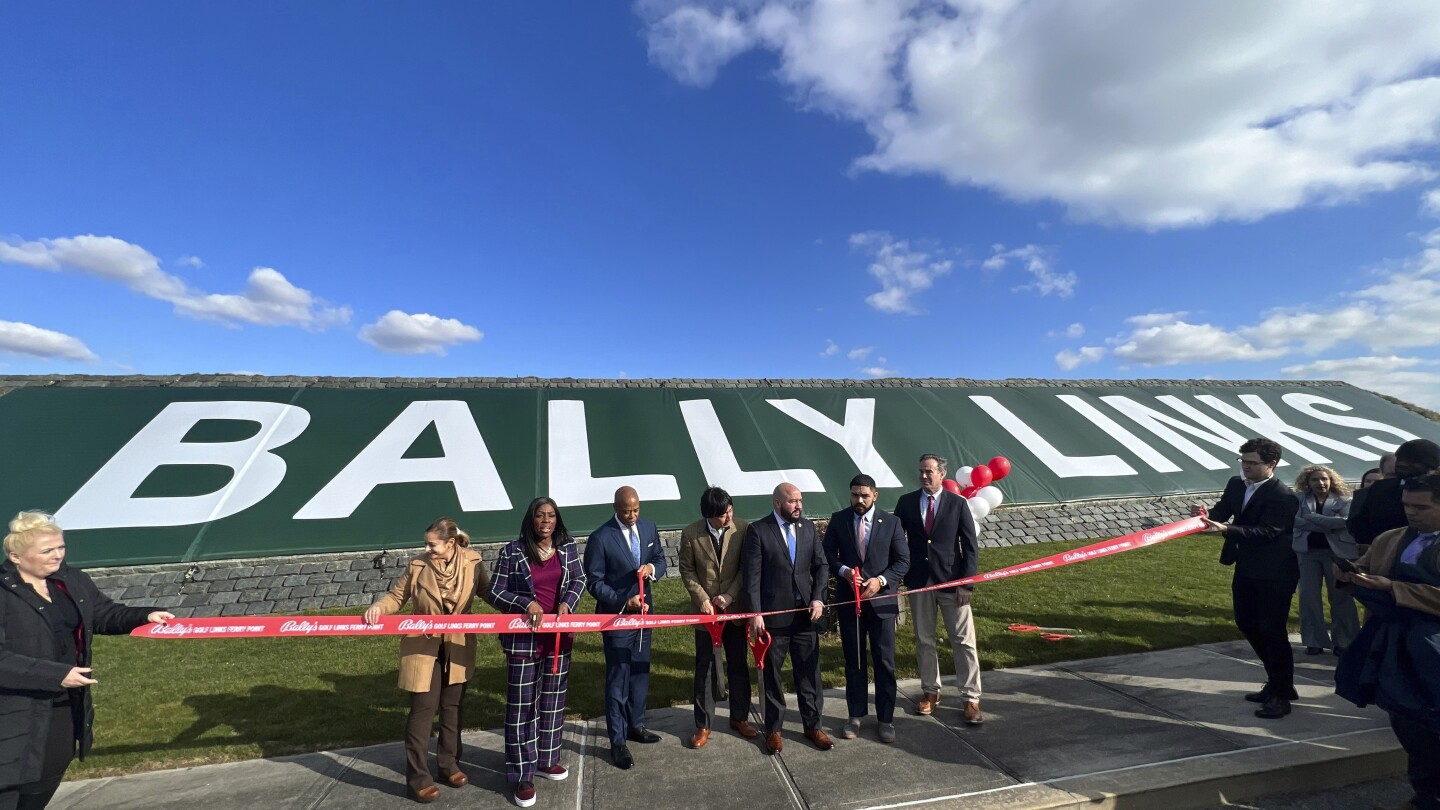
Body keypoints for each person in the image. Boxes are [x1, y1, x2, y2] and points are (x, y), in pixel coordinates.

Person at [1, 511, 173, 810]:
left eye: (61, 547)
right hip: (14, 707)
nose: (57, 556)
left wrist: (144, 615)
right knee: (11, 784)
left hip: (65, 704)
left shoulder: (71, 581)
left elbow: (104, 614)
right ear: (16, 556)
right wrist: (54, 674)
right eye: (47, 551)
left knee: (43, 782)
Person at [363, 518, 491, 804]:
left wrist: (518, 610)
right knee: (423, 711)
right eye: (426, 544)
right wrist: (377, 608)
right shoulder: (417, 566)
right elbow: (397, 597)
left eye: (432, 544)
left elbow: (488, 592)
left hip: (458, 645)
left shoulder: (473, 562)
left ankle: (449, 765)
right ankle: (418, 779)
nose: (427, 549)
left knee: (452, 708)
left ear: (451, 543)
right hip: (422, 645)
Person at [1336, 473, 1440, 810]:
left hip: (1433, 650)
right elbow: (1366, 570)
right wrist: (1350, 576)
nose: (1411, 512)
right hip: (1392, 643)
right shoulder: (1391, 538)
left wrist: (1395, 589)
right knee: (1405, 720)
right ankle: (1425, 795)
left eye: (1421, 507)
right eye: (1407, 505)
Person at [488, 498, 587, 808]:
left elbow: (580, 579)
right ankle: (522, 774)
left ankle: (547, 758)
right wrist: (525, 604)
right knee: (521, 708)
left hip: (557, 640)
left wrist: (567, 602)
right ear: (531, 520)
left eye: (551, 515)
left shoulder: (567, 547)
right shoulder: (513, 551)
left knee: (553, 702)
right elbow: (495, 591)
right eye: (541, 515)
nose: (546, 520)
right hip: (523, 642)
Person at [1192, 437, 1300, 719]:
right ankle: (1278, 682)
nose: (1246, 467)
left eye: (1252, 463)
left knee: (1272, 631)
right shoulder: (1236, 483)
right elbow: (1221, 511)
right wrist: (1204, 516)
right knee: (1246, 622)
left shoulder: (1284, 497)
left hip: (1276, 571)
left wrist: (1226, 530)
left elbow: (1268, 531)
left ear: (1271, 464)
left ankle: (1281, 693)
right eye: (1243, 461)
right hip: (1247, 567)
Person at [894, 454, 984, 724]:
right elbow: (897, 541)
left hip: (952, 583)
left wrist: (966, 583)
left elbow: (969, 547)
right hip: (920, 582)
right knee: (924, 640)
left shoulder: (958, 504)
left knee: (964, 641)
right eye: (921, 471)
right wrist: (899, 574)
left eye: (929, 471)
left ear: (941, 474)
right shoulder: (906, 502)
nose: (923, 476)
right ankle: (930, 692)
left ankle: (970, 698)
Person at [743, 482, 831, 755]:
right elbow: (752, 576)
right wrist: (756, 613)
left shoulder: (807, 529)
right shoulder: (758, 531)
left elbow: (821, 565)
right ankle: (774, 730)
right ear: (777, 503)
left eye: (800, 500)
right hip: (774, 619)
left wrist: (818, 597)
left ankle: (813, 725)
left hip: (805, 615)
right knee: (773, 676)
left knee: (809, 673)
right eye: (792, 501)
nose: (798, 506)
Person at [583, 486, 666, 770]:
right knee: (618, 679)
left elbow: (661, 561)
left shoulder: (649, 527)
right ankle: (617, 742)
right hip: (617, 617)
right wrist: (622, 601)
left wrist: (652, 570)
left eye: (636, 510)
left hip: (644, 616)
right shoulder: (600, 538)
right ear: (615, 508)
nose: (632, 516)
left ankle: (636, 725)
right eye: (626, 511)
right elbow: (594, 582)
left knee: (640, 672)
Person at [823, 474, 909, 743]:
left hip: (881, 606)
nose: (858, 500)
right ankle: (855, 716)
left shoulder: (892, 522)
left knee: (885, 663)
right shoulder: (839, 520)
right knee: (855, 661)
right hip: (851, 605)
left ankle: (886, 719)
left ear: (875, 495)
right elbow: (826, 554)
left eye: (864, 495)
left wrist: (881, 581)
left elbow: (902, 561)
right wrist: (844, 571)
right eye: (854, 495)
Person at [676, 486, 757, 749]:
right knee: (705, 669)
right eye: (723, 514)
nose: (729, 517)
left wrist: (731, 596)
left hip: (734, 611)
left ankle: (740, 718)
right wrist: (702, 599)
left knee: (738, 666)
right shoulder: (690, 534)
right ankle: (703, 724)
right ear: (709, 515)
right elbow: (687, 571)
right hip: (706, 615)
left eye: (731, 510)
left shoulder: (744, 529)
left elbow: (747, 568)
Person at [1290, 465, 1360, 656]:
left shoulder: (1345, 500)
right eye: (1315, 480)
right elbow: (1293, 520)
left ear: (1331, 480)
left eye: (1324, 479)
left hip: (1337, 554)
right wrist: (1327, 524)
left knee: (1341, 598)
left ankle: (1344, 641)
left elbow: (1344, 522)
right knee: (1308, 597)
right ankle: (1314, 641)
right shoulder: (1299, 499)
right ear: (1307, 482)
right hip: (1307, 554)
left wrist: (1312, 518)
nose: (1320, 483)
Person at [1349, 440, 1440, 552]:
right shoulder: (1379, 488)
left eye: (1412, 460)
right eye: (1400, 458)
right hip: (1381, 554)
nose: (1402, 464)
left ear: (1432, 465)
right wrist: (1375, 546)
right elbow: (1358, 522)